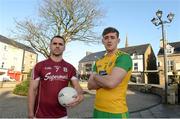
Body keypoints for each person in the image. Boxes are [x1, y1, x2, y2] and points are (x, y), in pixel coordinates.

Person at [28, 35, 84, 118]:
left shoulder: (70, 68)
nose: (57, 46)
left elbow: (77, 86)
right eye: (54, 43)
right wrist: (30, 113)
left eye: (60, 44)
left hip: (62, 116)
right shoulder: (39, 66)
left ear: (64, 47)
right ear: (50, 46)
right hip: (40, 115)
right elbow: (32, 90)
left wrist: (80, 95)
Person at [88, 27, 132, 118]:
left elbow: (111, 83)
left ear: (118, 40)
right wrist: (106, 79)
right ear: (102, 41)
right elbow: (90, 86)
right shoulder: (98, 61)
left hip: (116, 112)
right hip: (98, 110)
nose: (109, 40)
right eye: (106, 37)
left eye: (112, 37)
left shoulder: (124, 57)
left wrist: (95, 76)